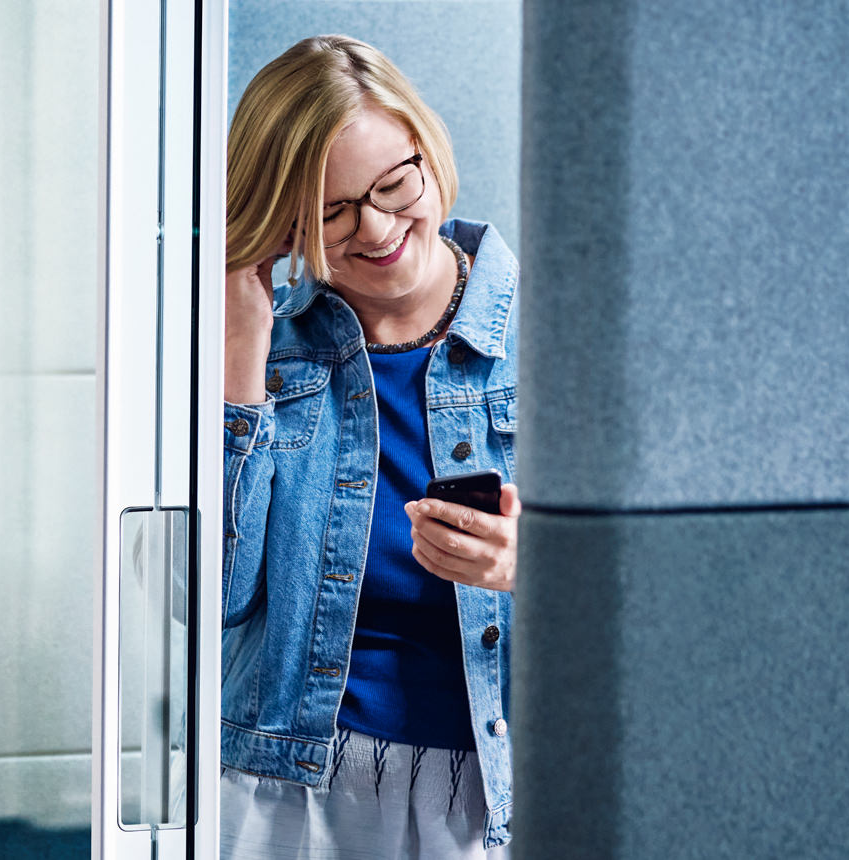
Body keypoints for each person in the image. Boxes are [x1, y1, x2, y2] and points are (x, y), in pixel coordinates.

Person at [220, 35, 520, 858]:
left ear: (429, 152)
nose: (380, 227)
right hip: (282, 790)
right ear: (284, 219)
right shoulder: (262, 358)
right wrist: (242, 338)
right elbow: (206, 597)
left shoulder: (559, 338)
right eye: (333, 210)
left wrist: (536, 569)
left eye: (395, 184)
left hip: (490, 798)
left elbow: (667, 602)